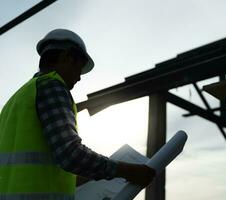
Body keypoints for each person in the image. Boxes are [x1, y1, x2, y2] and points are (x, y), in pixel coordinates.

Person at [0, 29, 155, 200]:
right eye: (78, 68)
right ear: (66, 57)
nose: (79, 78)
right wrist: (129, 171)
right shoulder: (52, 86)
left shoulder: (16, 101)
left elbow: (41, 167)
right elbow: (70, 154)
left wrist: (93, 175)